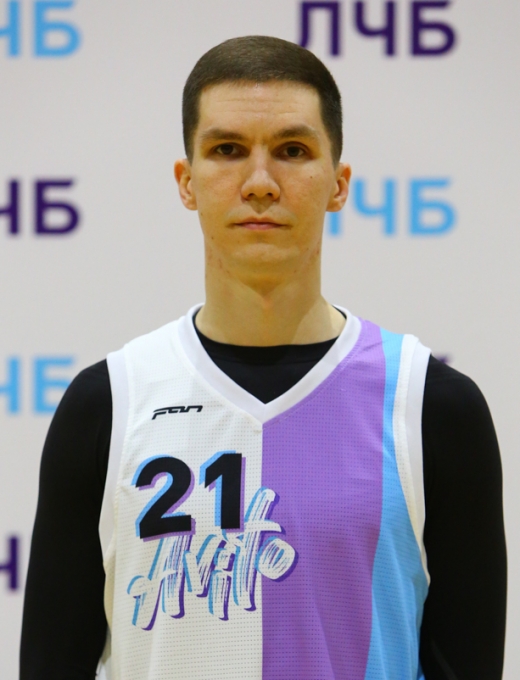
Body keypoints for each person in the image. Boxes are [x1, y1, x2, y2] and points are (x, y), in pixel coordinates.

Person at [20, 36, 506, 680]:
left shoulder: (431, 406)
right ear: (186, 182)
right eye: (227, 150)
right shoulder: (108, 404)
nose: (259, 183)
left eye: (292, 150)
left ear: (338, 184)